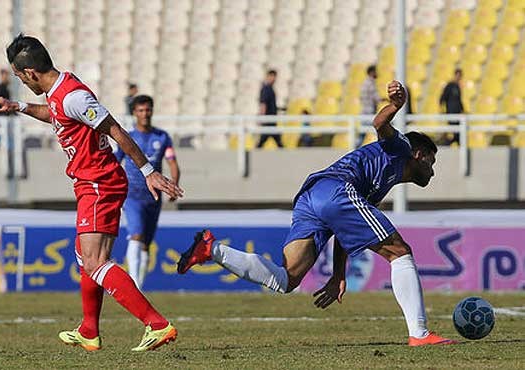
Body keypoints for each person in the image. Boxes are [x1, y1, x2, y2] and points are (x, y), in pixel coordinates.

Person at [178, 81, 456, 347]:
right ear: (418, 154)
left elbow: (343, 228)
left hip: (312, 196)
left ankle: (211, 250)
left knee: (285, 279)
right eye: (431, 162)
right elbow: (379, 124)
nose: (432, 170)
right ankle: (419, 333)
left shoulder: (381, 180)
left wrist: (338, 275)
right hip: (336, 189)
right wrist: (395, 105)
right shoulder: (402, 148)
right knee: (400, 252)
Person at [0, 34, 183, 352]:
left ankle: (156, 324)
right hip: (90, 183)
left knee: (95, 261)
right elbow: (55, 116)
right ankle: (89, 330)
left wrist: (148, 172)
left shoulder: (73, 96)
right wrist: (17, 106)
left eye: (20, 78)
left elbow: (115, 129)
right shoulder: (57, 92)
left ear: (30, 72)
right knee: (84, 256)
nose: (22, 82)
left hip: (99, 184)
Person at [114, 95, 180, 289]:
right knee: (136, 235)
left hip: (154, 197)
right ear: (134, 113)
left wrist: (173, 185)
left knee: (146, 244)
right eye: (140, 110)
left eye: (148, 110)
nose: (145, 114)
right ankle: (134, 287)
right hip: (132, 195)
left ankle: (139, 286)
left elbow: (173, 163)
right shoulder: (128, 137)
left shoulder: (162, 137)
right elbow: (115, 161)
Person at [257, 70, 283, 148]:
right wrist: (262, 117)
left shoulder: (270, 89)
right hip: (268, 119)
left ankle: (255, 153)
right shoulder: (266, 89)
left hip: (271, 119)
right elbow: (263, 104)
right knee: (268, 139)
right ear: (268, 76)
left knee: (267, 139)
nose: (274, 79)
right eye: (272, 76)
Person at [358, 65, 382, 147]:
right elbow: (376, 97)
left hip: (364, 111)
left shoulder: (365, 83)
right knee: (378, 131)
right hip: (369, 111)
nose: (377, 73)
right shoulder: (370, 83)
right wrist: (385, 99)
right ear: (372, 72)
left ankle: (355, 150)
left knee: (362, 134)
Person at [439, 69, 464, 145]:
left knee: (457, 133)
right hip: (451, 112)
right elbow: (442, 98)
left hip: (457, 113)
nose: (459, 77)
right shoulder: (450, 86)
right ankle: (447, 143)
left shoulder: (458, 87)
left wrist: (463, 110)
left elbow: (459, 100)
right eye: (458, 75)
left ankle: (448, 144)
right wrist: (442, 109)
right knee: (455, 132)